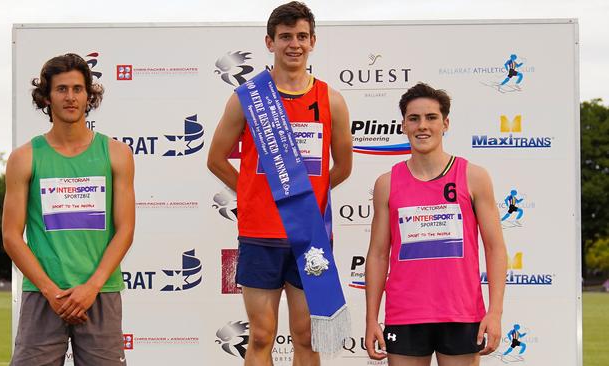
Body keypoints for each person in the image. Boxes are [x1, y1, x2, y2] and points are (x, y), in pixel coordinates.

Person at [207, 2, 352, 365]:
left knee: (306, 337)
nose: (294, 44)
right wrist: (256, 194)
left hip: (308, 236)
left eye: (301, 36)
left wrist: (307, 195)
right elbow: (215, 159)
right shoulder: (247, 98)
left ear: (313, 42)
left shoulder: (331, 100)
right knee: (260, 336)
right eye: (285, 36)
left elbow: (344, 167)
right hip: (259, 234)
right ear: (269, 42)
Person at [2, 53, 135, 365]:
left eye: (77, 88)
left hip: (100, 292)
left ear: (89, 95)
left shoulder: (117, 153)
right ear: (46, 97)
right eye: (61, 89)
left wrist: (91, 287)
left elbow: (125, 229)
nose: (70, 97)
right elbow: (11, 236)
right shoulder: (24, 157)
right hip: (44, 295)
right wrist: (51, 291)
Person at [364, 83, 507, 365]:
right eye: (414, 118)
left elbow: (495, 249)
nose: (422, 126)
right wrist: (371, 318)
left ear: (446, 123)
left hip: (462, 313)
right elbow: (378, 255)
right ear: (403, 125)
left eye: (431, 117)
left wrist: (495, 312)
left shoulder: (474, 177)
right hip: (405, 314)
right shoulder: (386, 184)